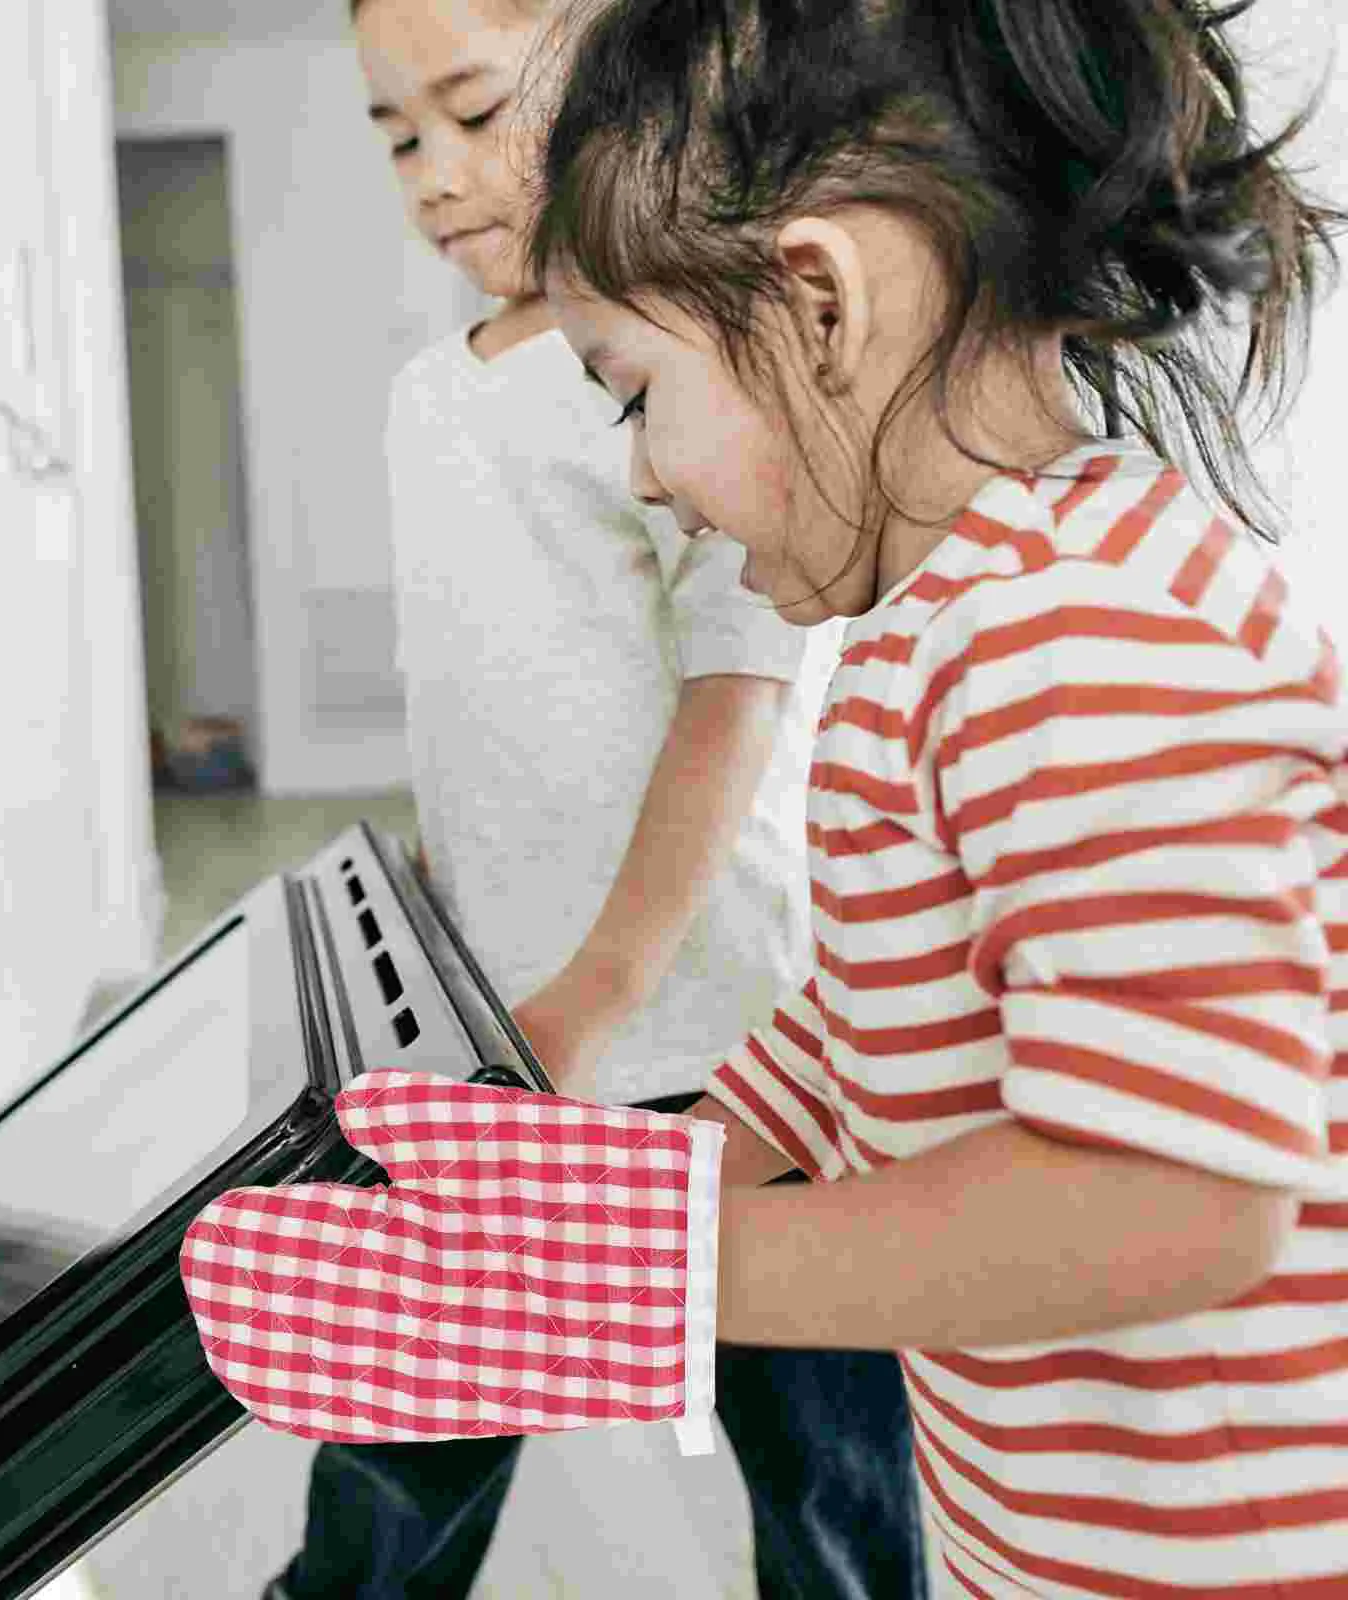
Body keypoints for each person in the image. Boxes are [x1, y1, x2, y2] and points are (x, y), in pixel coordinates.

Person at [518, 0, 1348, 1593]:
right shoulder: (951, 629)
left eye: (634, 393)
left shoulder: (1075, 633)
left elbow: (1170, 1197)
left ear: (817, 302)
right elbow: (866, 1026)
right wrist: (637, 1180)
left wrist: (644, 1264)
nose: (638, 471)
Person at [265, 0, 930, 1596]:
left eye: (475, 111)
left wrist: (607, 984)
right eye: (394, 134)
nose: (434, 174)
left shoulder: (677, 366)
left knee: (819, 1432)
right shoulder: (426, 400)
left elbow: (736, 695)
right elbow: (479, 698)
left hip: (713, 1024)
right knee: (408, 1371)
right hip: (513, 1020)